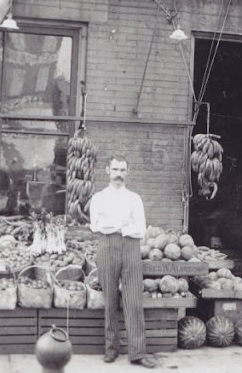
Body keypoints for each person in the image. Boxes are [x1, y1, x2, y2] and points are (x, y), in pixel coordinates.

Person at [89, 155, 157, 368]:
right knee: (110, 300)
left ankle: (138, 352)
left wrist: (116, 226)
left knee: (134, 300)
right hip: (107, 247)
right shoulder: (99, 197)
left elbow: (141, 229)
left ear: (127, 172)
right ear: (107, 171)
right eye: (115, 169)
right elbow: (96, 225)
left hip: (130, 248)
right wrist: (123, 225)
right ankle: (111, 349)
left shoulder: (134, 198)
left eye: (122, 170)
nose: (118, 174)